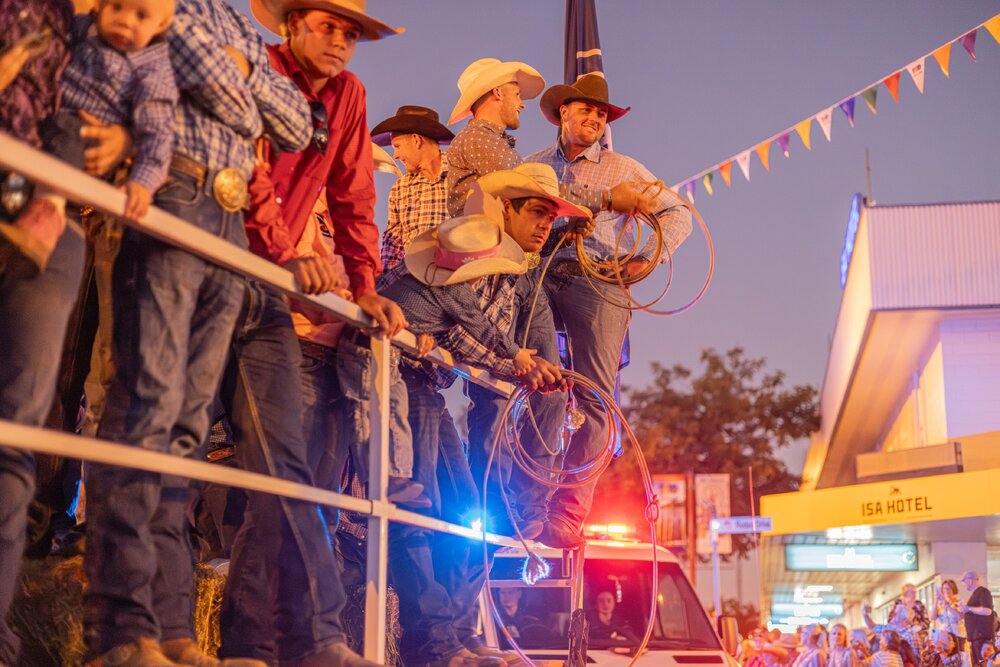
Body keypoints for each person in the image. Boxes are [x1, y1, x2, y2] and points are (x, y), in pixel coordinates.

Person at [81, 0, 314, 662]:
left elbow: (295, 123)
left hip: (226, 218)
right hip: (176, 194)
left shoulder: (235, 23)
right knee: (145, 413)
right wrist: (246, 89)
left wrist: (235, 78)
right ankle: (123, 624)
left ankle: (173, 626)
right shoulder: (170, 6)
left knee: (182, 426)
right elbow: (243, 100)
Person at [526, 72, 692, 547]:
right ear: (563, 114)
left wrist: (648, 257)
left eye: (602, 113)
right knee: (540, 383)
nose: (596, 119)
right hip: (537, 276)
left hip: (596, 278)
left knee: (597, 398)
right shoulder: (535, 166)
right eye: (587, 110)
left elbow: (677, 214)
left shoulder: (624, 168)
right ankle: (532, 504)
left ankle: (568, 511)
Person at [0, 2, 82, 663]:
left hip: (33, 200)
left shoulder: (69, 26)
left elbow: (59, 114)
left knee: (17, 430)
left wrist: (51, 194)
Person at [445, 57, 544, 217]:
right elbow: (527, 187)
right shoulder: (477, 137)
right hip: (483, 239)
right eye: (517, 94)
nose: (522, 104)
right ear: (498, 93)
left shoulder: (481, 137)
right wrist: (594, 197)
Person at [371, 104, 454, 289]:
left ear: (416, 140)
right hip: (410, 286)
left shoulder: (460, 174)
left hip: (452, 283)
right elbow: (392, 247)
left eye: (397, 146)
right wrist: (382, 290)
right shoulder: (400, 188)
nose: (396, 155)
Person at [962, 571, 995, 666]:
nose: (963, 584)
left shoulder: (983, 592)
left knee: (982, 663)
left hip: (981, 637)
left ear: (970, 581)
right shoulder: (976, 594)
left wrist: (968, 608)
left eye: (964, 581)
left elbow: (987, 611)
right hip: (977, 637)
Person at [933, 580, 967, 650]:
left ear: (953, 589)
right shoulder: (940, 604)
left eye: (949, 588)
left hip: (957, 634)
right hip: (944, 634)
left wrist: (947, 605)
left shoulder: (959, 602)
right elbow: (933, 617)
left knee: (960, 656)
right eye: (944, 588)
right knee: (946, 657)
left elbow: (959, 617)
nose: (946, 591)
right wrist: (936, 601)